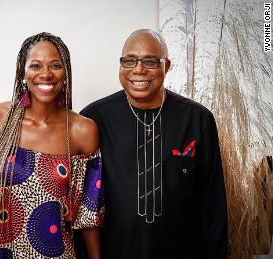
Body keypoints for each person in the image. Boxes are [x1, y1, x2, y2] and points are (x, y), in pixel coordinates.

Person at [79, 29, 228, 259]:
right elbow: (82, 205)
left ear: (166, 66)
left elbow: (213, 205)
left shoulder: (198, 120)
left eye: (150, 61)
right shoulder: (93, 119)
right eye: (129, 61)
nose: (138, 69)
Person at [0, 32, 104, 258]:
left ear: (65, 74)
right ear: (22, 72)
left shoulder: (81, 131)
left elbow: (88, 216)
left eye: (55, 65)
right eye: (36, 65)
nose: (46, 74)